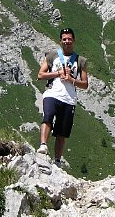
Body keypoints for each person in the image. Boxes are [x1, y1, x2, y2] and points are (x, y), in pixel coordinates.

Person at [37, 27, 88, 167]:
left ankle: (58, 161)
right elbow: (40, 75)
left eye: (69, 39)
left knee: (62, 131)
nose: (67, 41)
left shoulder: (81, 60)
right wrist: (58, 73)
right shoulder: (52, 55)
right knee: (48, 116)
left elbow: (85, 84)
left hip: (69, 98)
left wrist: (71, 79)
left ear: (74, 41)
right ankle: (43, 145)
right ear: (60, 41)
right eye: (64, 39)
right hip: (52, 93)